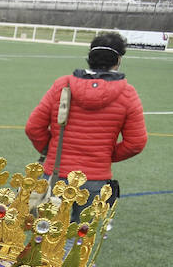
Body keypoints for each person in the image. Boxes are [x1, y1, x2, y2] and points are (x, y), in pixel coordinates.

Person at [25, 31, 146, 205]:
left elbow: (33, 128)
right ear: (118, 60)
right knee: (84, 231)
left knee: (49, 230)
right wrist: (103, 156)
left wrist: (50, 150)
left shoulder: (62, 85)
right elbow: (136, 143)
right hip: (95, 178)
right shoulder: (127, 93)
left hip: (56, 172)